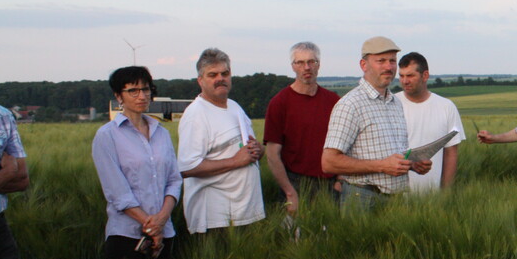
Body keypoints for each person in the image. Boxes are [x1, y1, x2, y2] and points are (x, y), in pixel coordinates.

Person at [91, 66, 182, 259]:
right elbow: (117, 192)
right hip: (126, 236)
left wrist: (162, 219)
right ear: (118, 96)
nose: (142, 96)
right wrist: (151, 226)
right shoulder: (107, 136)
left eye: (146, 89)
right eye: (133, 91)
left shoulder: (162, 133)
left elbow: (174, 180)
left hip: (165, 234)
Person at [322, 36, 431, 211]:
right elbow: (329, 162)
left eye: (392, 61)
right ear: (363, 65)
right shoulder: (350, 104)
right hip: (362, 199)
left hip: (397, 201)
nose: (388, 67)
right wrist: (381, 166)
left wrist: (411, 164)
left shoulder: (395, 103)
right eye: (381, 61)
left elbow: (391, 155)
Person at [177, 48, 265, 233]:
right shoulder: (196, 114)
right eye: (213, 75)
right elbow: (186, 167)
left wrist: (258, 150)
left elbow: (246, 151)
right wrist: (235, 161)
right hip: (216, 219)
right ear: (200, 80)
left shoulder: (234, 107)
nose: (220, 78)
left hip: (245, 213)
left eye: (225, 73)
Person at [263, 41, 341, 213]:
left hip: (329, 185)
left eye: (312, 61)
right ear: (293, 66)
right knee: (294, 231)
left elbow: (346, 144)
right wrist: (289, 192)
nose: (307, 67)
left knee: (329, 230)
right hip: (294, 183)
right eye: (300, 62)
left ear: (319, 64)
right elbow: (272, 155)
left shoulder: (334, 101)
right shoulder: (279, 103)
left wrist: (339, 180)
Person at [396, 51, 465, 192]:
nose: (405, 81)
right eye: (401, 76)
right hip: (395, 197)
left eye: (410, 75)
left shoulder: (446, 107)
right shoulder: (391, 104)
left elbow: (451, 153)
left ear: (425, 75)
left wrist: (445, 193)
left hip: (432, 196)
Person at [0, 104, 29, 259]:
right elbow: (14, 173)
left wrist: (10, 174)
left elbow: (22, 179)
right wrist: (7, 173)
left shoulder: (2, 116)